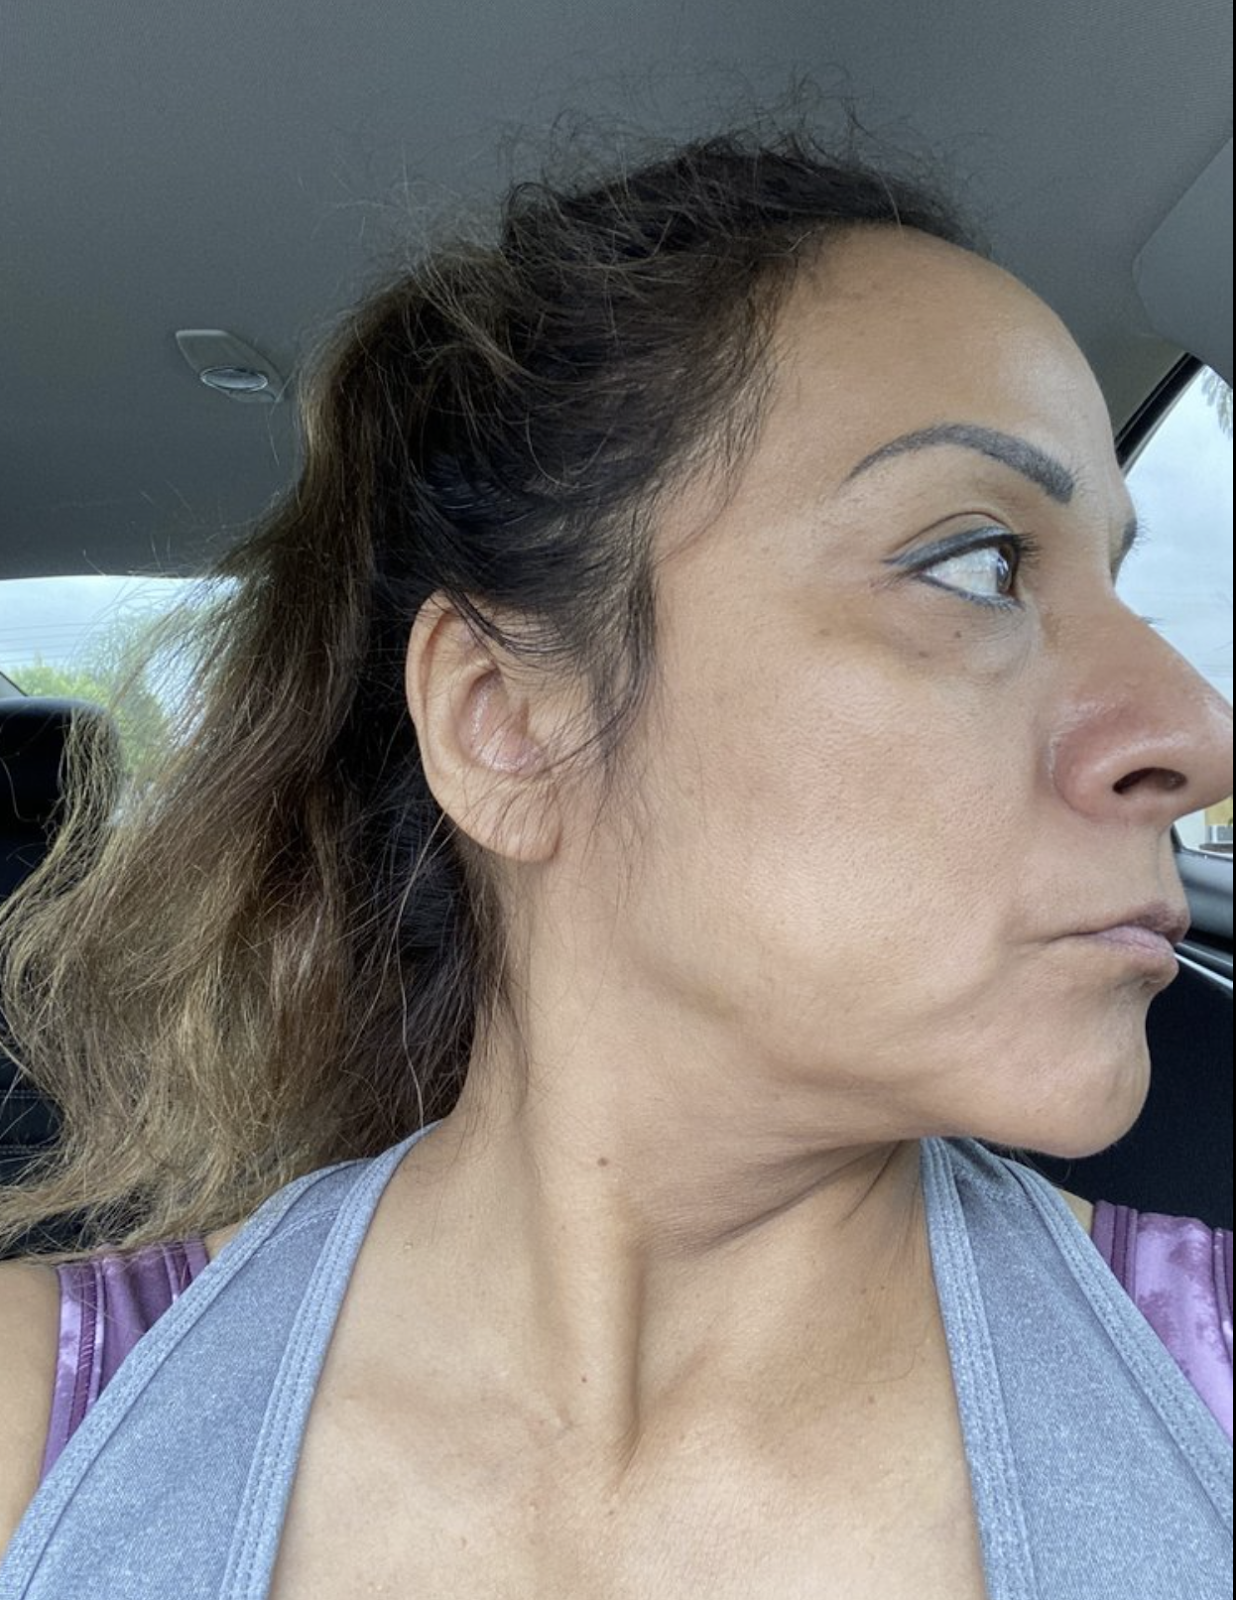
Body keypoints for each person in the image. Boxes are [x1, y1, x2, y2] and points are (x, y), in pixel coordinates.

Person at [0, 128, 1231, 1599]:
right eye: (974, 563)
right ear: (508, 724)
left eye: (1115, 576)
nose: (1195, 730)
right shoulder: (33, 1426)